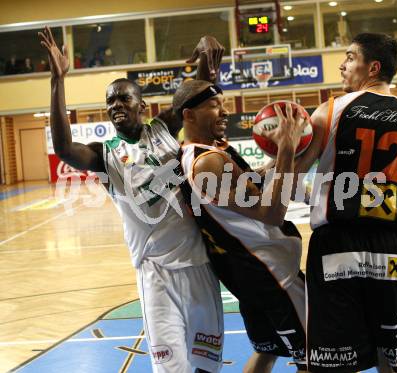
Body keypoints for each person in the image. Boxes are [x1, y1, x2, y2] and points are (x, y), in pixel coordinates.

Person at [39, 26, 226, 373]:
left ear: (142, 105)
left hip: (199, 262)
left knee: (207, 366)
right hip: (155, 273)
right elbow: (64, 148)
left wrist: (204, 57)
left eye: (123, 98)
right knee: (172, 368)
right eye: (110, 101)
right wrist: (57, 81)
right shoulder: (104, 156)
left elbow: (195, 100)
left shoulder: (164, 129)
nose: (116, 105)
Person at [293, 33, 397, 372]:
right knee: (389, 361)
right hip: (391, 252)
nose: (342, 65)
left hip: (337, 247)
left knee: (331, 366)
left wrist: (283, 152)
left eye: (349, 57)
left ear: (372, 67)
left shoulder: (331, 111)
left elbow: (287, 181)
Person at [174, 79, 309, 373]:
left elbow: (243, 188)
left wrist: (274, 163)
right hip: (272, 274)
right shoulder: (210, 162)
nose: (224, 112)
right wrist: (286, 148)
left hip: (246, 276)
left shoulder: (190, 155)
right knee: (312, 357)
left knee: (266, 353)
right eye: (213, 105)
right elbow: (271, 212)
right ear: (188, 115)